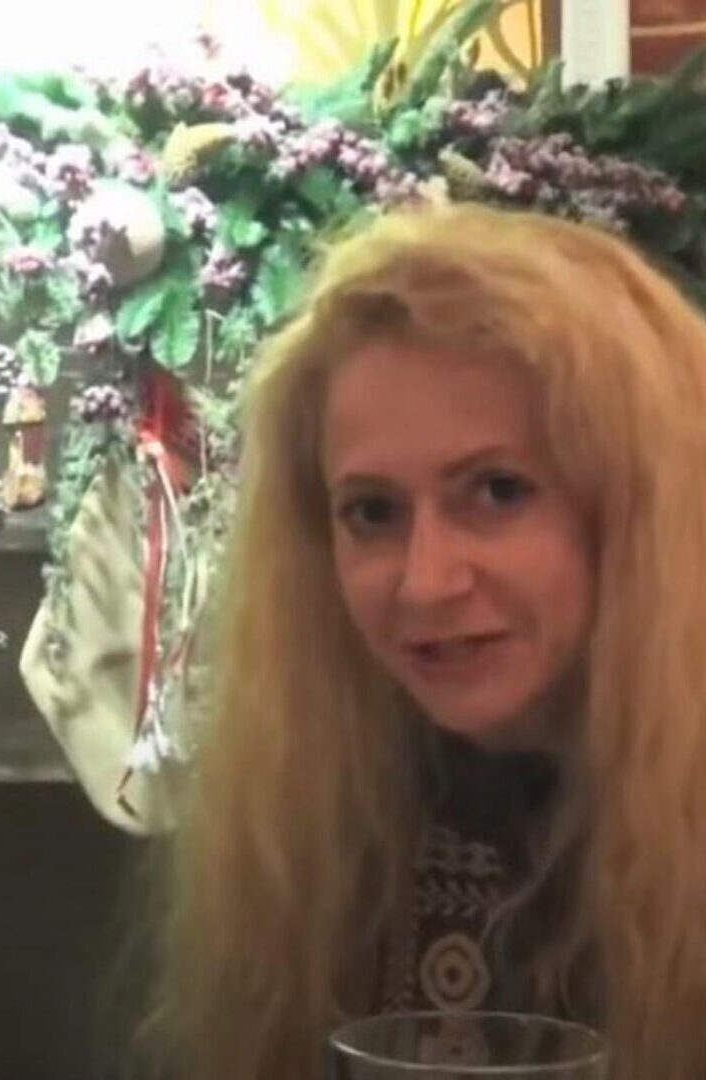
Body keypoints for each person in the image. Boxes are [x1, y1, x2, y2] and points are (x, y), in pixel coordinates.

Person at [143, 202, 706, 1079]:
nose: (425, 582)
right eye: (372, 511)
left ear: (646, 512)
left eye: (498, 491)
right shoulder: (315, 824)